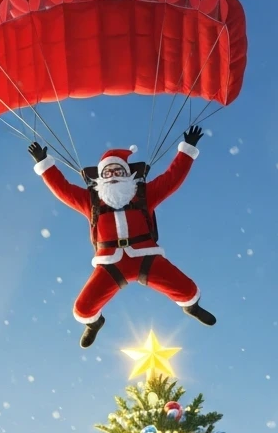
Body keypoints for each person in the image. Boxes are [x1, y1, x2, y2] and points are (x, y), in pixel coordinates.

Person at [29, 125, 217, 348]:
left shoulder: (144, 196)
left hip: (146, 257)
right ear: (100, 177)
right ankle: (94, 324)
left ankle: (191, 307)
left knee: (186, 289)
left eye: (118, 172)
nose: (113, 176)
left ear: (128, 174)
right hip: (110, 264)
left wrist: (186, 151)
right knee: (83, 309)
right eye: (108, 173)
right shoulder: (91, 202)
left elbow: (171, 179)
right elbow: (63, 189)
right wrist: (44, 164)